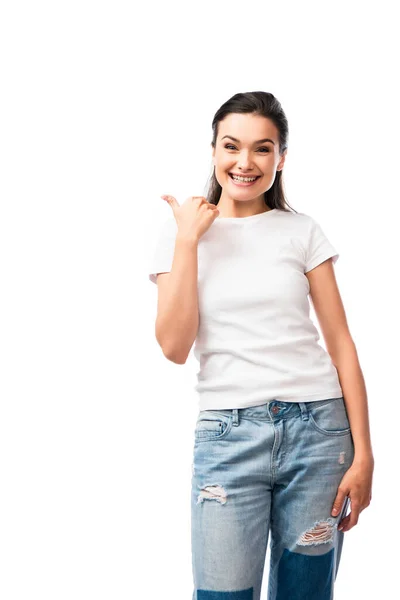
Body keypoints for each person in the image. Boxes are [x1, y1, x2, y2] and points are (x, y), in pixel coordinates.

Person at [148, 91, 374, 600]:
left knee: (306, 593)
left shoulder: (301, 231)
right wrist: (188, 242)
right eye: (232, 146)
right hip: (228, 437)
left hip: (319, 432)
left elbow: (341, 346)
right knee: (222, 593)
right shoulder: (180, 234)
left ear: (281, 158)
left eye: (262, 149)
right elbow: (174, 346)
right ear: (213, 151)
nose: (245, 162)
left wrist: (365, 456)